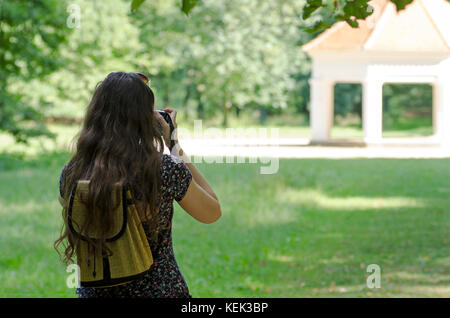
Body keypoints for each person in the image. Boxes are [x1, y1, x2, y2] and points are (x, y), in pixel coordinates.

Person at [55, 71, 221, 298]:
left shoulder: (72, 173)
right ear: (146, 118)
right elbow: (211, 212)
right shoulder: (164, 169)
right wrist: (174, 146)